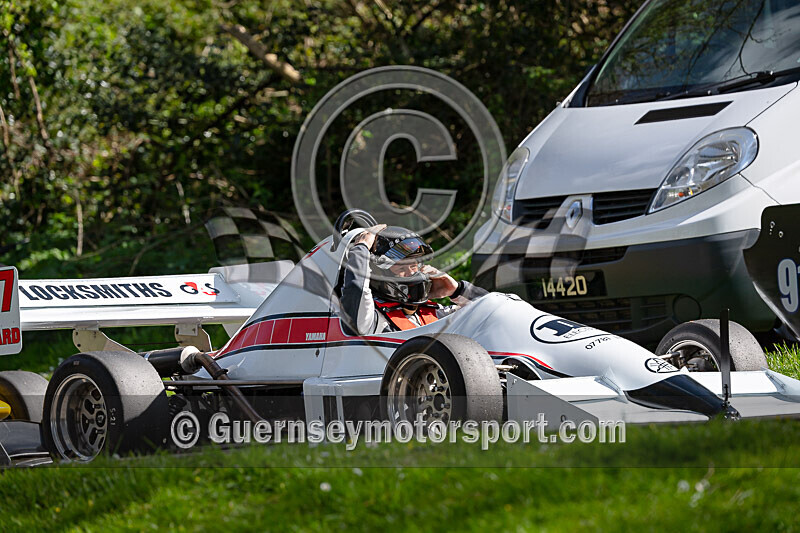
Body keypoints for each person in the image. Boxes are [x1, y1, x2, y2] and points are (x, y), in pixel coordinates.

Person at [340, 224, 485, 335]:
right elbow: (356, 288)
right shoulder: (371, 318)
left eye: (414, 265)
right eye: (401, 268)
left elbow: (490, 310)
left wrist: (456, 290)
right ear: (379, 274)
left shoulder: (436, 312)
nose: (411, 273)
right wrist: (362, 248)